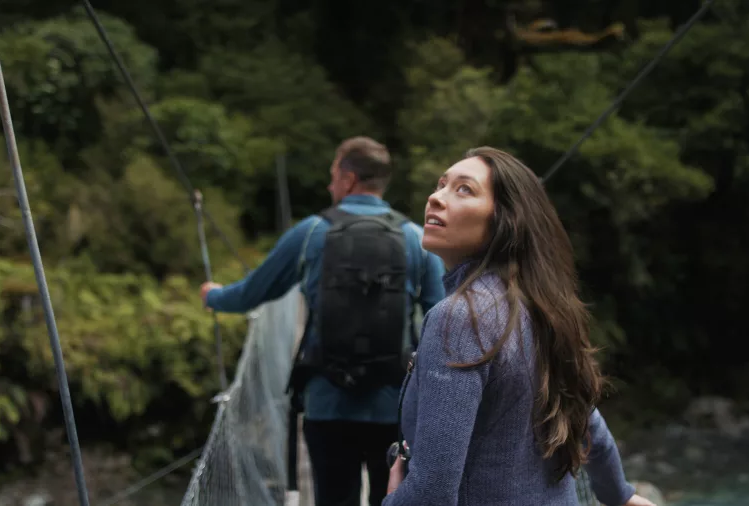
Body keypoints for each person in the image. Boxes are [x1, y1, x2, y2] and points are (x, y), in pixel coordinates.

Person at [382, 147, 654, 506]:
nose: (436, 197)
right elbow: (587, 423)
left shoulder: (459, 318)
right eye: (441, 185)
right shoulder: (543, 307)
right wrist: (620, 496)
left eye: (464, 189)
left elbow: (432, 492)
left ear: (503, 220)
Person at [200, 136, 446, 506]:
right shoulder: (416, 239)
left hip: (327, 402)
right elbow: (440, 322)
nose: (329, 185)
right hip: (393, 405)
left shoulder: (311, 232)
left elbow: (253, 293)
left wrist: (212, 296)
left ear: (348, 179)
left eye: (333, 175)